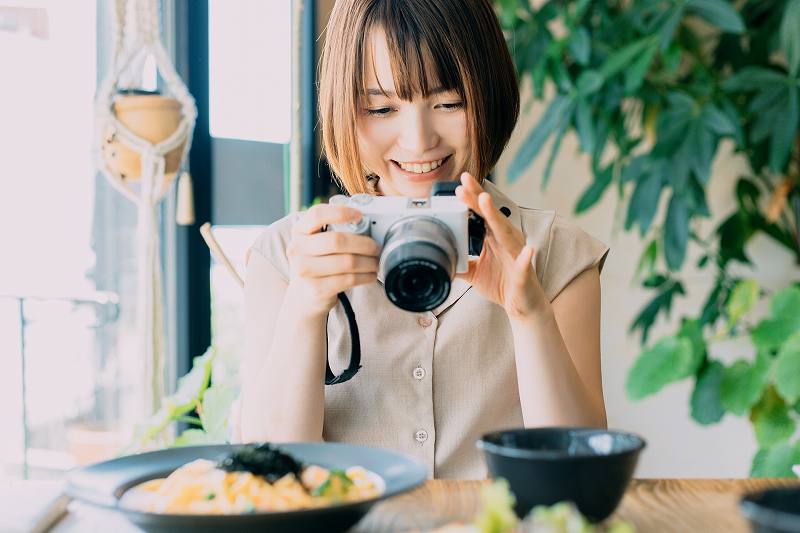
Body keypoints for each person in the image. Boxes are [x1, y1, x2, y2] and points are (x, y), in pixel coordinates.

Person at [239, 0, 609, 479]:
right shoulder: (287, 256)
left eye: (449, 102)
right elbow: (271, 477)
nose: (418, 141)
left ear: (488, 96)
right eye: (381, 107)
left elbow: (580, 473)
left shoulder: (556, 252)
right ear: (342, 108)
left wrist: (528, 314)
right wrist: (304, 308)